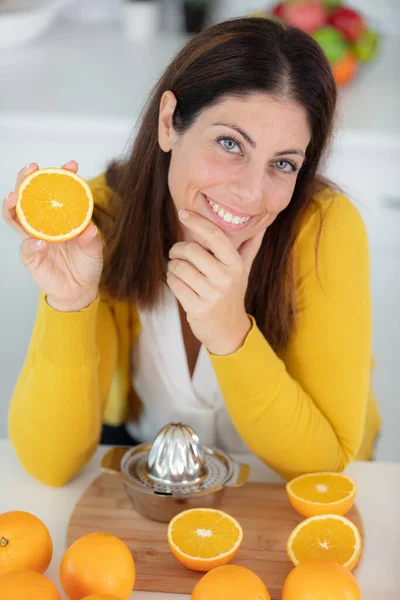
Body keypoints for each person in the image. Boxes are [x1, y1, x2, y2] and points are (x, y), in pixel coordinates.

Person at [4, 17, 381, 487]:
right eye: (229, 143)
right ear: (169, 123)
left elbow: (326, 465)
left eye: (283, 164)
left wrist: (230, 332)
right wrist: (70, 303)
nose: (249, 192)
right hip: (150, 477)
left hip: (281, 491)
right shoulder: (101, 223)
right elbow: (49, 465)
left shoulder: (326, 230)